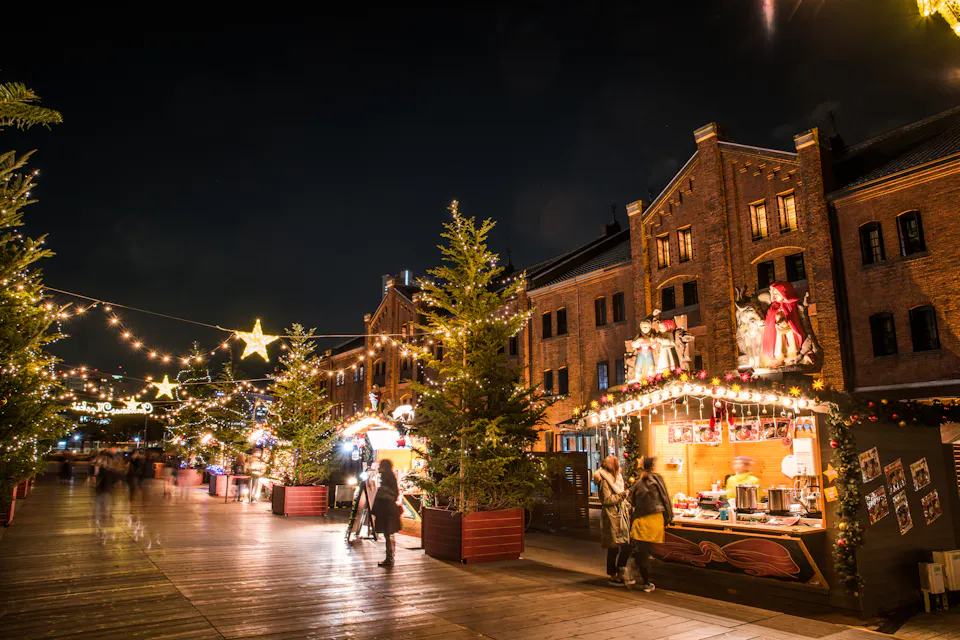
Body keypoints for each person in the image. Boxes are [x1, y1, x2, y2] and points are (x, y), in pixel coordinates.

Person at [629, 456, 673, 593]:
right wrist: (669, 517)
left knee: (641, 551)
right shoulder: (657, 479)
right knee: (646, 551)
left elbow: (631, 500)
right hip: (655, 519)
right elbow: (665, 498)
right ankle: (646, 581)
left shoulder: (639, 482)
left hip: (641, 520)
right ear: (653, 466)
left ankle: (643, 580)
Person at [593, 455, 631, 586]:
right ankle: (613, 575)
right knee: (613, 547)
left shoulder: (617, 479)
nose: (620, 468)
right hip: (611, 517)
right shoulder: (604, 481)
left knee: (626, 545)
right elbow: (606, 500)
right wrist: (622, 496)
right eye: (618, 465)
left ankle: (621, 571)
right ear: (613, 467)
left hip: (620, 516)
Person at [372, 459, 401, 568]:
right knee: (388, 534)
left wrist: (382, 492)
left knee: (388, 534)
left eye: (380, 466)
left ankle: (389, 558)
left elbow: (393, 494)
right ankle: (389, 557)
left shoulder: (387, 479)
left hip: (387, 510)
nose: (378, 467)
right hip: (388, 509)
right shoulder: (388, 477)